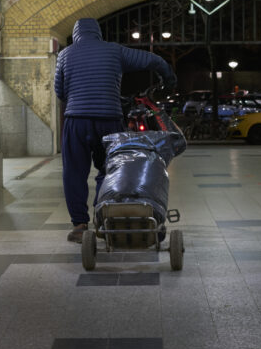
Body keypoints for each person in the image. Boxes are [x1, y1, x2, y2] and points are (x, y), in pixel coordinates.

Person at [54, 17, 177, 243]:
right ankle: (104, 217)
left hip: (76, 121)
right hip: (108, 120)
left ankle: (80, 225)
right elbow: (154, 60)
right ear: (98, 33)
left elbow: (60, 92)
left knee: (74, 173)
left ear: (76, 34)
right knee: (110, 169)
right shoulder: (115, 51)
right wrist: (168, 79)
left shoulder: (64, 55)